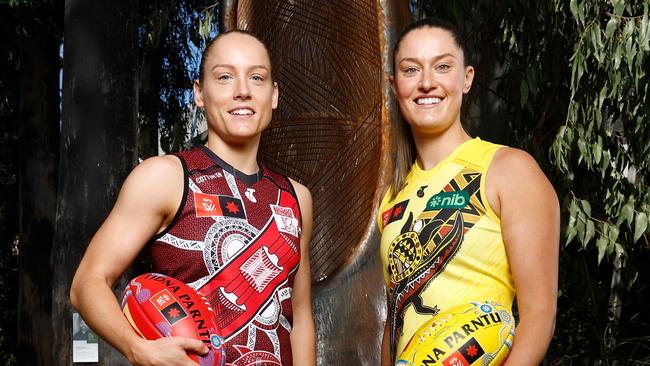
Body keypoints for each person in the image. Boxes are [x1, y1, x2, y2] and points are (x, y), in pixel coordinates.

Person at [70, 30, 316, 366]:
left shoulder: (295, 197)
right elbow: (87, 282)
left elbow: (299, 321)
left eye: (256, 78)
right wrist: (137, 348)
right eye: (225, 77)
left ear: (273, 95)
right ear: (199, 93)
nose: (242, 91)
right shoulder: (165, 177)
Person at [378, 18, 559, 365]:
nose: (427, 83)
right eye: (411, 70)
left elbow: (539, 315)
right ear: (394, 85)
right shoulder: (391, 198)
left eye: (442, 66)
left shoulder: (508, 170)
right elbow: (396, 319)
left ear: (467, 78)